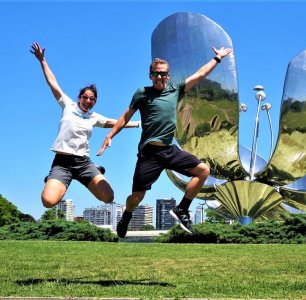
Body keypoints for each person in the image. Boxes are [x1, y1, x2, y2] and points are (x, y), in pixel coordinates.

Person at [97, 46, 233, 237]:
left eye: (163, 74)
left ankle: (182, 209)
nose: (160, 77)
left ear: (168, 76)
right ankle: (126, 215)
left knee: (203, 171)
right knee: (136, 197)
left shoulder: (175, 89)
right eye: (156, 74)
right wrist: (110, 135)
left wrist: (217, 57)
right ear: (150, 75)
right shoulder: (142, 93)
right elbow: (125, 117)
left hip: (169, 151)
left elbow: (200, 74)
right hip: (149, 154)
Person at [30, 42, 140, 209]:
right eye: (85, 97)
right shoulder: (67, 105)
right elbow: (52, 83)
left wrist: (138, 123)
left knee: (108, 197)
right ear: (79, 97)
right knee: (48, 202)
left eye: (92, 99)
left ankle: (94, 169)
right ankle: (57, 181)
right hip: (62, 162)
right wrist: (42, 61)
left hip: (83, 163)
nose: (88, 101)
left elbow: (115, 122)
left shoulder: (93, 117)